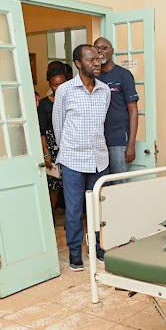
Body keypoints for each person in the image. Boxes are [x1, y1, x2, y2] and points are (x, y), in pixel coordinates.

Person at [52, 44, 111, 271]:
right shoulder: (65, 91)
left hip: (99, 159)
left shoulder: (104, 90)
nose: (97, 63)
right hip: (73, 159)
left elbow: (101, 123)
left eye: (98, 59)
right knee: (75, 209)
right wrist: (68, 150)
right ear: (78, 63)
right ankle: (75, 252)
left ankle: (97, 246)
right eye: (91, 60)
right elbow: (58, 126)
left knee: (97, 207)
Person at [94, 37, 139, 180]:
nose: (100, 51)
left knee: (120, 184)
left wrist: (131, 144)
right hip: (97, 141)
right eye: (96, 48)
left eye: (104, 47)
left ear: (112, 51)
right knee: (101, 186)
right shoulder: (93, 77)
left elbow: (133, 110)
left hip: (118, 140)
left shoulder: (123, 75)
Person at [38, 68, 66, 210]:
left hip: (68, 143)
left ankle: (71, 218)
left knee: (70, 183)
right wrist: (46, 152)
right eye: (55, 84)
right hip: (51, 145)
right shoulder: (44, 104)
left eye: (62, 83)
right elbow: (42, 130)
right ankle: (51, 216)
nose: (58, 87)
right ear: (49, 84)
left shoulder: (71, 100)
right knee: (53, 183)